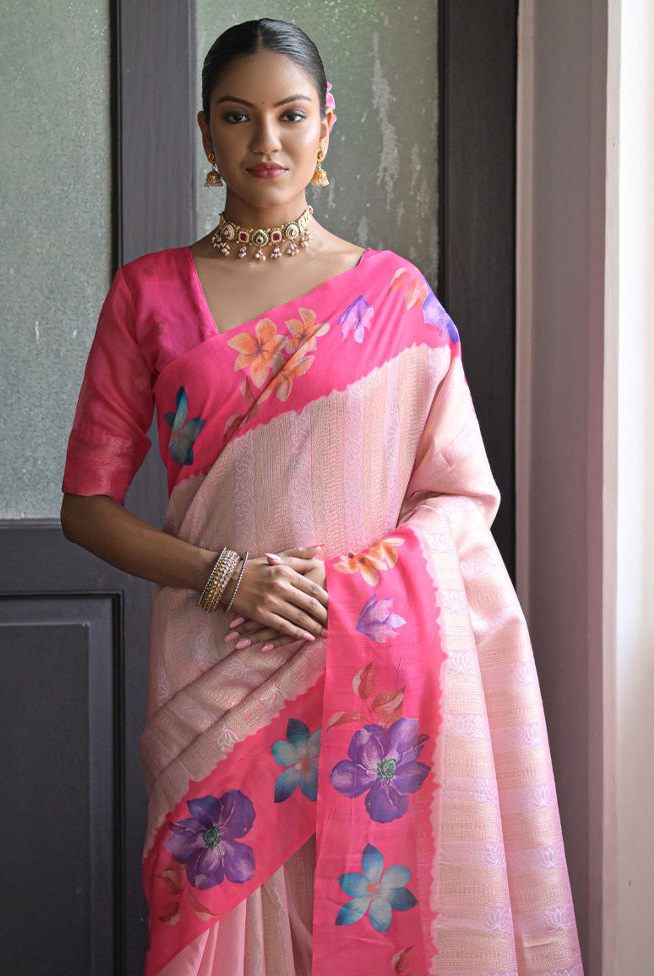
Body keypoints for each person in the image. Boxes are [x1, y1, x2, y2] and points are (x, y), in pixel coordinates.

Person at [61, 18, 583, 976]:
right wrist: (229, 579)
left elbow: (460, 500)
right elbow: (86, 506)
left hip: (370, 672)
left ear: (328, 128)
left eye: (291, 115)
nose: (267, 142)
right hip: (215, 670)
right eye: (238, 117)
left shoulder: (394, 299)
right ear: (208, 139)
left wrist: (354, 588)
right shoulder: (148, 296)